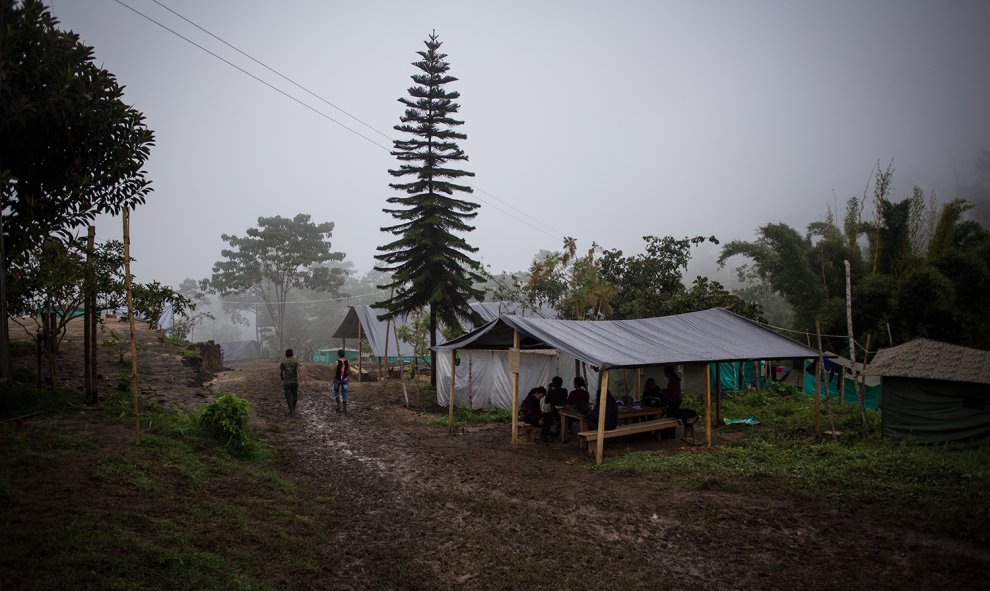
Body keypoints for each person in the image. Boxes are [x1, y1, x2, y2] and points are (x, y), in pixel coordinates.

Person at [662, 365, 699, 441]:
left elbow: (674, 392)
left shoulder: (673, 379)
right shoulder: (673, 379)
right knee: (670, 416)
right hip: (675, 400)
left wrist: (667, 394)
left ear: (668, 372)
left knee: (671, 416)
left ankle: (670, 434)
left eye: (665, 372)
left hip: (674, 400)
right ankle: (669, 433)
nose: (664, 374)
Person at [279, 348, 302, 415]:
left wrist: (282, 378)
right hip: (294, 382)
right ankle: (293, 409)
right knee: (295, 396)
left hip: (287, 383)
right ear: (292, 354)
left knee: (288, 397)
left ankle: (291, 410)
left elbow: (281, 372)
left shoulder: (283, 362)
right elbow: (299, 371)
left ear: (286, 355)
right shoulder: (295, 362)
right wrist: (302, 380)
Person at [334, 348, 350, 413]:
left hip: (337, 380)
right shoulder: (347, 362)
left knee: (336, 392)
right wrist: (347, 376)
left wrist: (333, 378)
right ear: (344, 355)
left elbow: (334, 371)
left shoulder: (336, 362)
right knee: (344, 393)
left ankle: (338, 405)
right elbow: (348, 370)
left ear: (338, 355)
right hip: (345, 380)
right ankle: (344, 408)